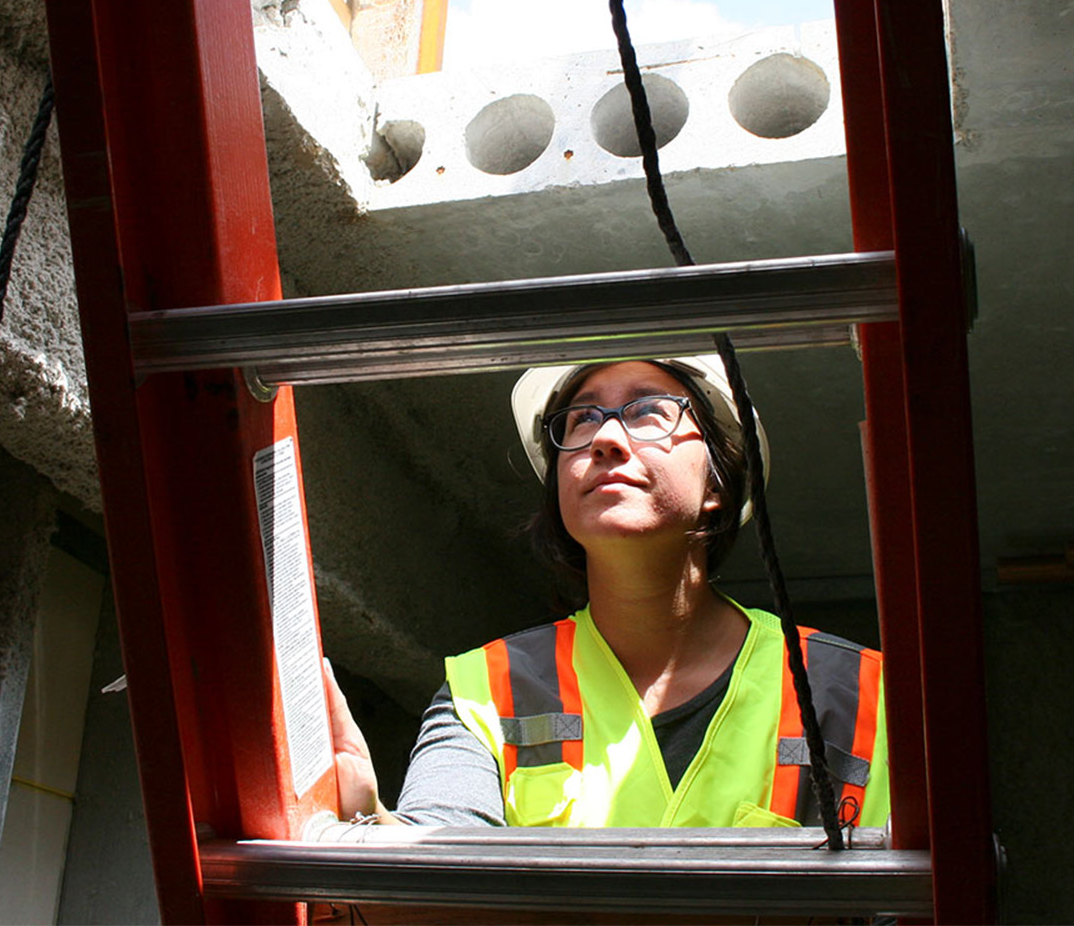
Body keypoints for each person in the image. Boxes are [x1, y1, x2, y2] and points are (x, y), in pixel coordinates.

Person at [325, 355, 888, 829]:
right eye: (580, 419)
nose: (606, 438)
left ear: (718, 481)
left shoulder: (864, 695)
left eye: (648, 412)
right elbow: (442, 853)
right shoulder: (486, 692)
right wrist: (371, 821)